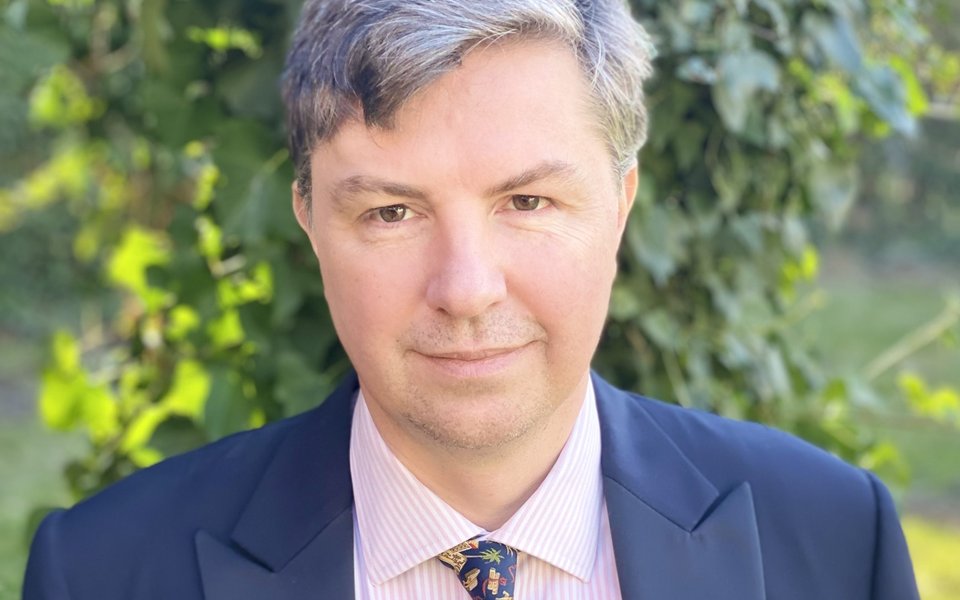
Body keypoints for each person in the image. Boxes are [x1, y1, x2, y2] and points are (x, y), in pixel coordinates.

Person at [24, 1, 919, 598]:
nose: (464, 289)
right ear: (308, 221)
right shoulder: (102, 571)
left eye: (526, 202)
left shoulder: (837, 540)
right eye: (391, 211)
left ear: (620, 207)